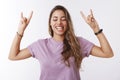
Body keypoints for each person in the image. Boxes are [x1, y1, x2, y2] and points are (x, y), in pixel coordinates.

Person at [8, 5, 114, 80]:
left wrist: (96, 28)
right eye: (55, 19)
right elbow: (13, 56)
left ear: (68, 22)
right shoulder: (40, 45)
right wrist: (20, 31)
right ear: (50, 22)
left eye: (63, 19)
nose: (59, 22)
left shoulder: (78, 43)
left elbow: (108, 53)